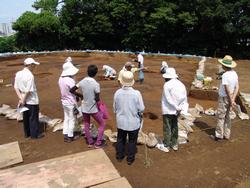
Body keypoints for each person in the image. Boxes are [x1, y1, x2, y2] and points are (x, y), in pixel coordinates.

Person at [70, 65, 106, 148]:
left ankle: (90, 142)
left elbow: (71, 90)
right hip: (93, 108)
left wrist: (81, 95)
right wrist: (101, 107)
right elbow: (97, 98)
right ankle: (98, 142)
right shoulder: (96, 84)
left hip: (84, 108)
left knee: (86, 124)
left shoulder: (82, 81)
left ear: (87, 71)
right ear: (96, 73)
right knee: (102, 124)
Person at [113, 71, 145, 165]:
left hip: (121, 121)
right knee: (132, 140)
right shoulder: (136, 93)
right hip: (133, 122)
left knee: (120, 139)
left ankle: (119, 156)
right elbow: (141, 108)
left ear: (122, 81)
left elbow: (114, 109)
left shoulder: (117, 93)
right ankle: (130, 159)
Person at [211, 55, 239, 141]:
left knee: (221, 116)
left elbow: (226, 89)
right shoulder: (234, 73)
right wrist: (233, 99)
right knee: (228, 116)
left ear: (224, 65)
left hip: (224, 98)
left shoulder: (225, 75)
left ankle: (219, 135)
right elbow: (237, 87)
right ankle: (227, 135)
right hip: (231, 96)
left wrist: (231, 100)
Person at [14, 58, 44, 139]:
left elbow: (16, 87)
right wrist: (23, 100)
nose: (34, 67)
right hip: (31, 100)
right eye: (34, 65)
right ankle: (35, 135)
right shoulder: (30, 75)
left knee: (26, 117)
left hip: (23, 99)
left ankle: (27, 134)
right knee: (33, 118)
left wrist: (21, 98)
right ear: (30, 65)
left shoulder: (18, 74)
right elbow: (28, 90)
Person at [161, 68, 188, 152]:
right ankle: (174, 144)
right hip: (177, 110)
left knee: (167, 126)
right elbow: (184, 98)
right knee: (175, 126)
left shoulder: (167, 85)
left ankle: (166, 144)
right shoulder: (181, 84)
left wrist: (176, 107)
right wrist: (181, 108)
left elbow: (168, 99)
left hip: (168, 109)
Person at [58, 60, 79, 143]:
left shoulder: (60, 79)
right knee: (72, 119)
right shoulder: (70, 80)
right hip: (71, 102)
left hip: (64, 101)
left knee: (66, 118)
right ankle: (70, 136)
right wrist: (80, 96)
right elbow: (73, 90)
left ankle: (66, 134)